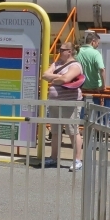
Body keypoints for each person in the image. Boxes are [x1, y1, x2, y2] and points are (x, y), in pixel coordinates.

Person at [41, 42, 85, 171]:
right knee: (55, 131)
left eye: (62, 50)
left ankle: (77, 160)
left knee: (72, 131)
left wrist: (55, 78)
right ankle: (53, 157)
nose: (59, 52)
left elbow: (66, 79)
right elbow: (44, 75)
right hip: (55, 101)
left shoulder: (76, 65)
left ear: (69, 51)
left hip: (70, 102)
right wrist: (59, 77)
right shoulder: (56, 64)